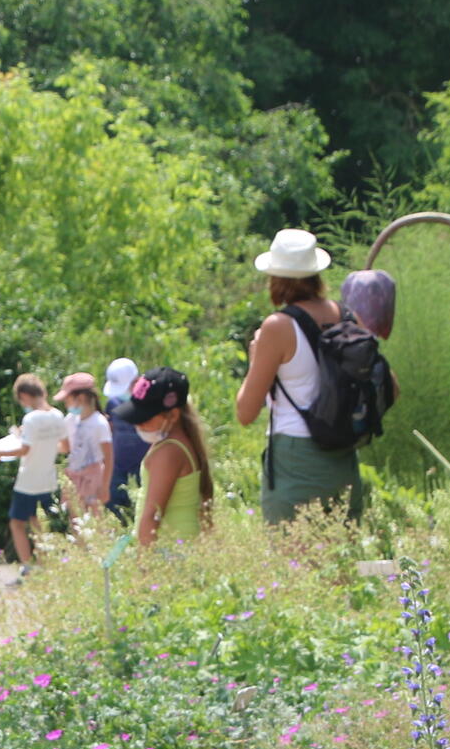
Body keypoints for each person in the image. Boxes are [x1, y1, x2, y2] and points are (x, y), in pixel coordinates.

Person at [236, 228, 366, 523]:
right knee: (343, 561)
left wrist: (255, 359)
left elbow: (245, 412)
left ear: (276, 278)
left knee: (293, 561)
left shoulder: (278, 327)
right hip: (344, 455)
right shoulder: (348, 316)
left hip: (296, 457)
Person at [0, 373, 71, 577]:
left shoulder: (31, 418)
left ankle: (27, 565)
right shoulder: (58, 416)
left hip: (28, 480)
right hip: (48, 479)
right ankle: (43, 565)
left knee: (17, 523)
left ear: (24, 395)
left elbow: (25, 450)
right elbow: (65, 447)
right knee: (39, 522)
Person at [122, 367, 212, 544]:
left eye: (145, 419)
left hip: (170, 549)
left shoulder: (168, 452)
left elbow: (152, 514)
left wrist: (144, 563)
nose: (138, 425)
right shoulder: (178, 443)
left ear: (173, 415)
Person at [58, 372, 114, 517]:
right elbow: (66, 448)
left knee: (94, 522)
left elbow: (108, 458)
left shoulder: (99, 423)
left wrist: (105, 486)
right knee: (75, 522)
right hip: (75, 478)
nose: (65, 404)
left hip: (93, 479)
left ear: (81, 398)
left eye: (67, 400)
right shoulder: (69, 420)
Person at [102, 358, 148, 518]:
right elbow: (110, 431)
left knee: (142, 512)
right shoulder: (113, 403)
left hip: (144, 468)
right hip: (118, 469)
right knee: (115, 513)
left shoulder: (149, 403)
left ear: (137, 381)